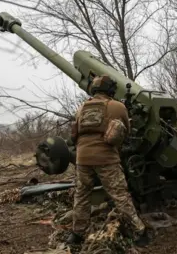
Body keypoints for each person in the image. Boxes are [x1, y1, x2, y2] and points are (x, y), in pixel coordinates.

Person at [66, 75, 149, 246]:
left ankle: (76, 234)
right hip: (106, 158)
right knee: (120, 195)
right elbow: (127, 131)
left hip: (82, 158)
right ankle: (139, 232)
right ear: (111, 90)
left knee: (81, 196)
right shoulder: (117, 106)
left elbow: (74, 134)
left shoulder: (81, 108)